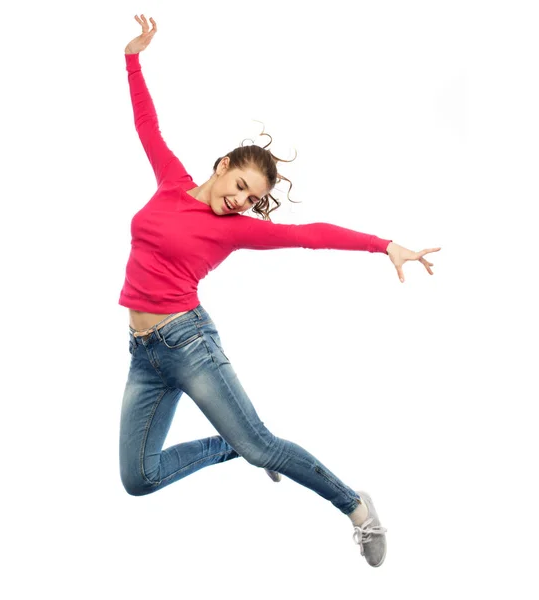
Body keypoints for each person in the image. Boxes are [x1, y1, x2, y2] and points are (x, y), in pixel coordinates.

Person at [118, 14, 440, 569]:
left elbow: (312, 236)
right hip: (144, 354)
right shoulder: (170, 181)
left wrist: (383, 244)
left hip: (188, 344)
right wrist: (132, 59)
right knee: (139, 478)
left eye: (251, 198)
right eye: (240, 185)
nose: (242, 200)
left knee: (263, 444)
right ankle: (228, 445)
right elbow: (148, 126)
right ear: (222, 167)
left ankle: (357, 508)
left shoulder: (237, 229)